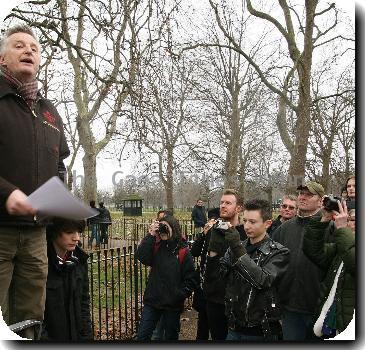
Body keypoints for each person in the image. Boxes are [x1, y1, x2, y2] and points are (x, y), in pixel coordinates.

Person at [0, 24, 70, 339]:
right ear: (2, 59)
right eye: (18, 45)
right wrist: (6, 193)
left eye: (34, 47)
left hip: (36, 236)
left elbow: (59, 164)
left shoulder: (49, 111)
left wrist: (57, 197)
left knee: (29, 320)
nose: (29, 50)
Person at [272, 181, 334, 341]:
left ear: (321, 201)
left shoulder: (331, 228)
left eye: (309, 194)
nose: (302, 197)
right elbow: (272, 267)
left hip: (319, 309)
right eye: (301, 193)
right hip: (290, 308)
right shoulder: (283, 229)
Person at [220, 199, 290, 341]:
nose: (246, 226)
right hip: (234, 327)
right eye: (244, 221)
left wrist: (237, 248)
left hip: (262, 331)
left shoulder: (279, 253)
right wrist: (214, 246)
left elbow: (262, 280)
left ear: (267, 224)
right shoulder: (238, 246)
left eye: (252, 222)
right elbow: (220, 277)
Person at [136, 215, 197, 341]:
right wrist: (151, 235)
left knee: (170, 337)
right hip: (153, 301)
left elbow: (191, 279)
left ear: (173, 229)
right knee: (142, 336)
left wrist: (179, 295)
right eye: (161, 227)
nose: (163, 231)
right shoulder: (157, 246)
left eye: (165, 227)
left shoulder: (183, 252)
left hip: (172, 305)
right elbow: (142, 257)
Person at [303, 201, 355, 339]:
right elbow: (314, 252)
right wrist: (322, 220)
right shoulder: (343, 247)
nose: (349, 223)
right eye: (348, 220)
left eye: (353, 220)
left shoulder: (346, 244)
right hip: (329, 322)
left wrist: (343, 230)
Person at [203, 189, 246, 340]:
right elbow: (208, 262)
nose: (223, 206)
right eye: (222, 202)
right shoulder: (214, 231)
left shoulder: (245, 233)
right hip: (214, 298)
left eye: (228, 203)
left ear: (238, 208)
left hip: (237, 300)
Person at [41, 218, 92, 341]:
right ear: (54, 232)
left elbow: (84, 302)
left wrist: (87, 336)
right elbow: (35, 313)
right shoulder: (41, 264)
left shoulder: (80, 260)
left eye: (78, 232)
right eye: (69, 232)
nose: (76, 238)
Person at [190, 207, 220, 340]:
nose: (212, 222)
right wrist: (204, 234)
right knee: (202, 321)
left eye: (215, 220)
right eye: (210, 219)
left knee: (217, 328)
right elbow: (194, 252)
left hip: (217, 287)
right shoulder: (207, 233)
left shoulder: (223, 234)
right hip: (203, 284)